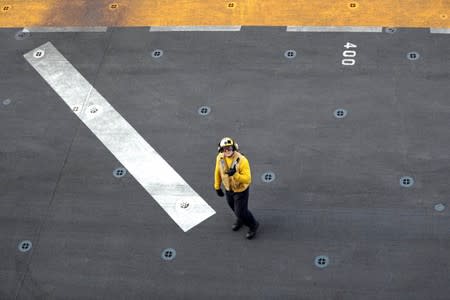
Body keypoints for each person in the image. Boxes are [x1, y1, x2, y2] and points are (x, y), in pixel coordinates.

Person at [214, 137, 259, 239]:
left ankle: (253, 225)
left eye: (229, 148)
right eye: (225, 149)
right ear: (221, 150)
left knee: (241, 211)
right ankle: (241, 219)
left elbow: (248, 179)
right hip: (228, 189)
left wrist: (235, 174)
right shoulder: (220, 158)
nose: (227, 151)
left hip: (241, 190)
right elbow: (217, 171)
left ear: (234, 148)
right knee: (233, 207)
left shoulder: (242, 160)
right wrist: (217, 186)